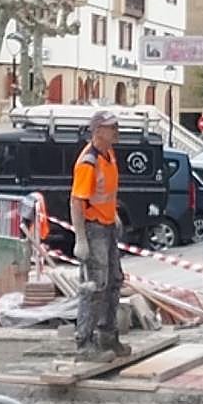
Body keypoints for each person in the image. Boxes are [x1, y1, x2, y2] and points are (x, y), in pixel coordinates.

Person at [71, 110, 130, 362]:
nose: (116, 130)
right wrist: (80, 239)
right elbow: (76, 201)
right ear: (97, 132)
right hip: (93, 228)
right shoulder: (88, 162)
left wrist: (113, 214)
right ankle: (84, 343)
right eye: (111, 127)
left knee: (114, 279)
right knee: (95, 286)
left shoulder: (109, 155)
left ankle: (108, 335)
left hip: (106, 226)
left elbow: (105, 191)